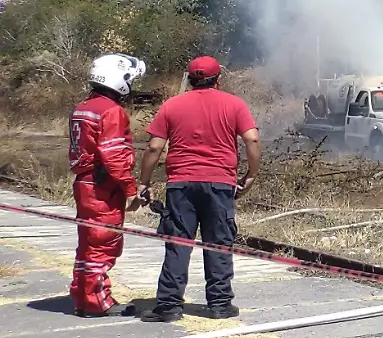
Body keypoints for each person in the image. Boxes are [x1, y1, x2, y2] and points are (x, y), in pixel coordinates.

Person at [139, 56, 259, 322]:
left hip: (181, 185)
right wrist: (251, 174)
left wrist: (144, 182)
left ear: (190, 79)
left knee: (178, 244)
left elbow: (153, 147)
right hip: (220, 184)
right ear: (218, 79)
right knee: (218, 242)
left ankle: (169, 305)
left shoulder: (172, 105)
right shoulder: (234, 104)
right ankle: (219, 304)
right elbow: (252, 138)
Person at [69, 53, 146, 317]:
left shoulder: (83, 107)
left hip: (85, 183)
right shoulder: (111, 111)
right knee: (103, 243)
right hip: (103, 188)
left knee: (88, 244)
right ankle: (97, 302)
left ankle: (81, 296)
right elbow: (114, 157)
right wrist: (131, 189)